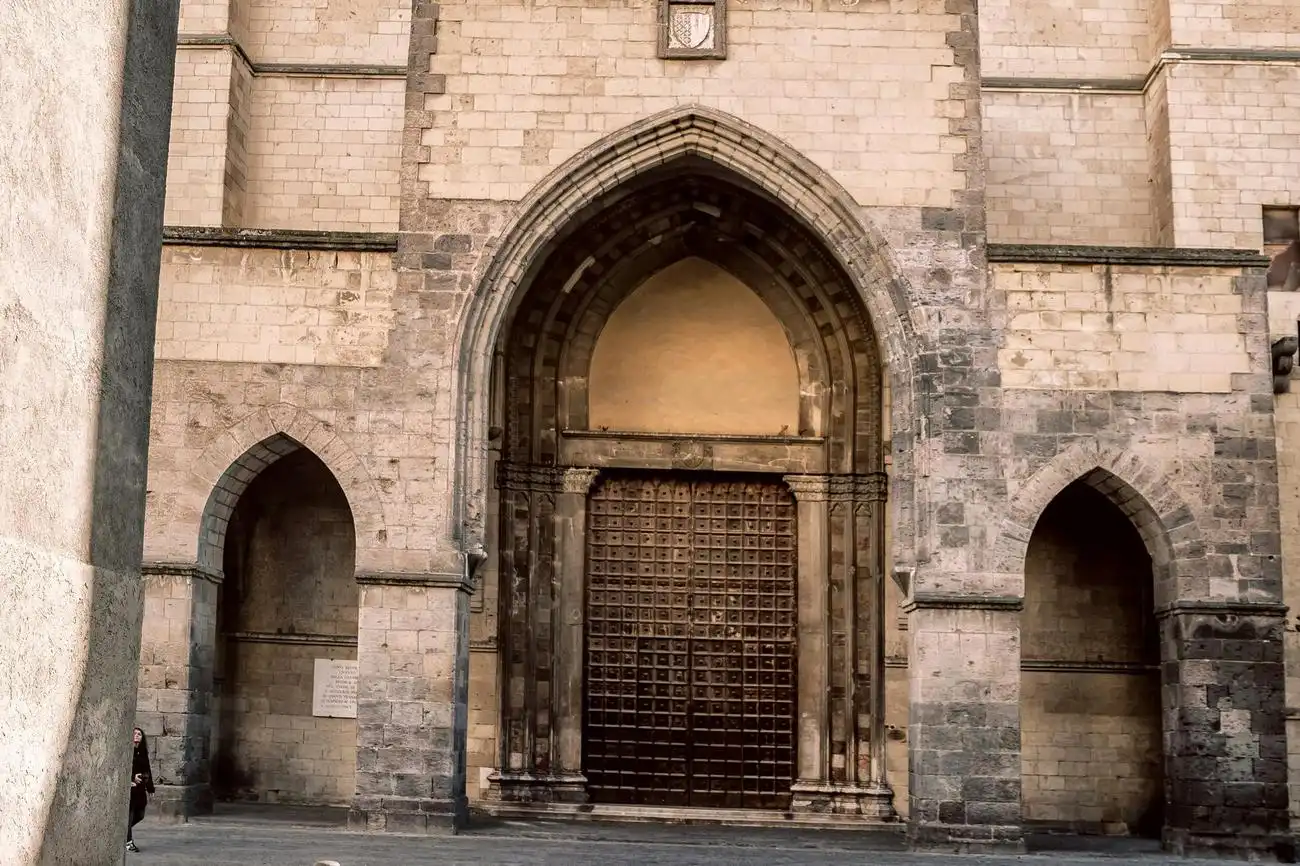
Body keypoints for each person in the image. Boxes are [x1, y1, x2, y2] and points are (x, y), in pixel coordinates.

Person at [127, 727, 154, 853]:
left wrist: (150, 788)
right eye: (135, 733)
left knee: (140, 814)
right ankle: (128, 842)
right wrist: (132, 777)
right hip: (130, 788)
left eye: (139, 734)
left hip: (140, 789)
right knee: (129, 815)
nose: (137, 735)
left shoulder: (142, 752)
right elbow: (123, 767)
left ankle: (121, 833)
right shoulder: (127, 752)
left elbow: (147, 770)